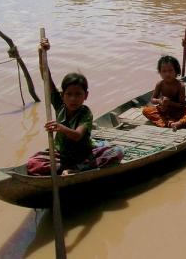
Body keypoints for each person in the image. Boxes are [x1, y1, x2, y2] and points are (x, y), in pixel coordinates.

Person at [27, 38, 123, 176]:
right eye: (69, 94)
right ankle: (64, 169)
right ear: (63, 95)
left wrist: (60, 128)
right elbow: (46, 77)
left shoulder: (85, 112)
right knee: (32, 163)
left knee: (117, 152)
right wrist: (41, 53)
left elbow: (77, 136)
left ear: (86, 95)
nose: (73, 99)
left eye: (78, 94)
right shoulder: (60, 105)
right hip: (62, 154)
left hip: (83, 154)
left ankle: (77, 169)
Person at [142, 55, 186, 130]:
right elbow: (153, 99)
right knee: (146, 110)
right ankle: (169, 122)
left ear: (176, 71)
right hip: (164, 110)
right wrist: (160, 101)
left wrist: (170, 103)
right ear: (160, 72)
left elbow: (182, 105)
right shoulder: (160, 84)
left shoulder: (180, 86)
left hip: (178, 112)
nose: (167, 74)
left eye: (170, 70)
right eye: (164, 71)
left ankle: (179, 123)